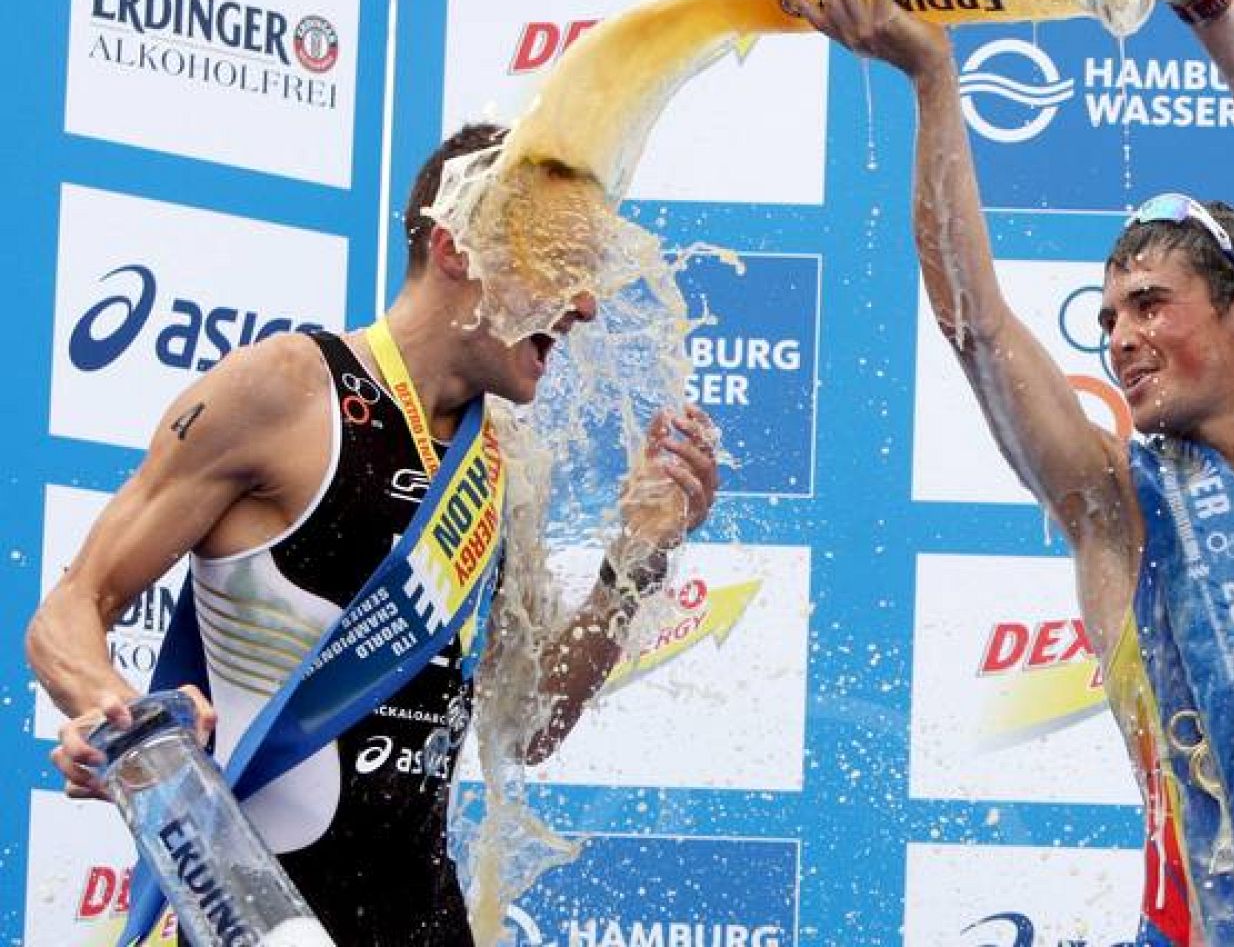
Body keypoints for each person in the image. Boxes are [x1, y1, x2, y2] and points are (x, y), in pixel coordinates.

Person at [786, 0, 1234, 947]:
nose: (1120, 337)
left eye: (1149, 303)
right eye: (1107, 315)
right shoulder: (1116, 510)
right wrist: (931, 82)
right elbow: (973, 325)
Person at [26, 122, 720, 945]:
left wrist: (633, 562)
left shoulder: (502, 466)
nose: (585, 304)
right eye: (562, 265)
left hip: (425, 923)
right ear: (457, 246)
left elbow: (530, 724)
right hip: (250, 923)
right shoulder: (284, 392)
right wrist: (128, 733)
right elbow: (71, 608)